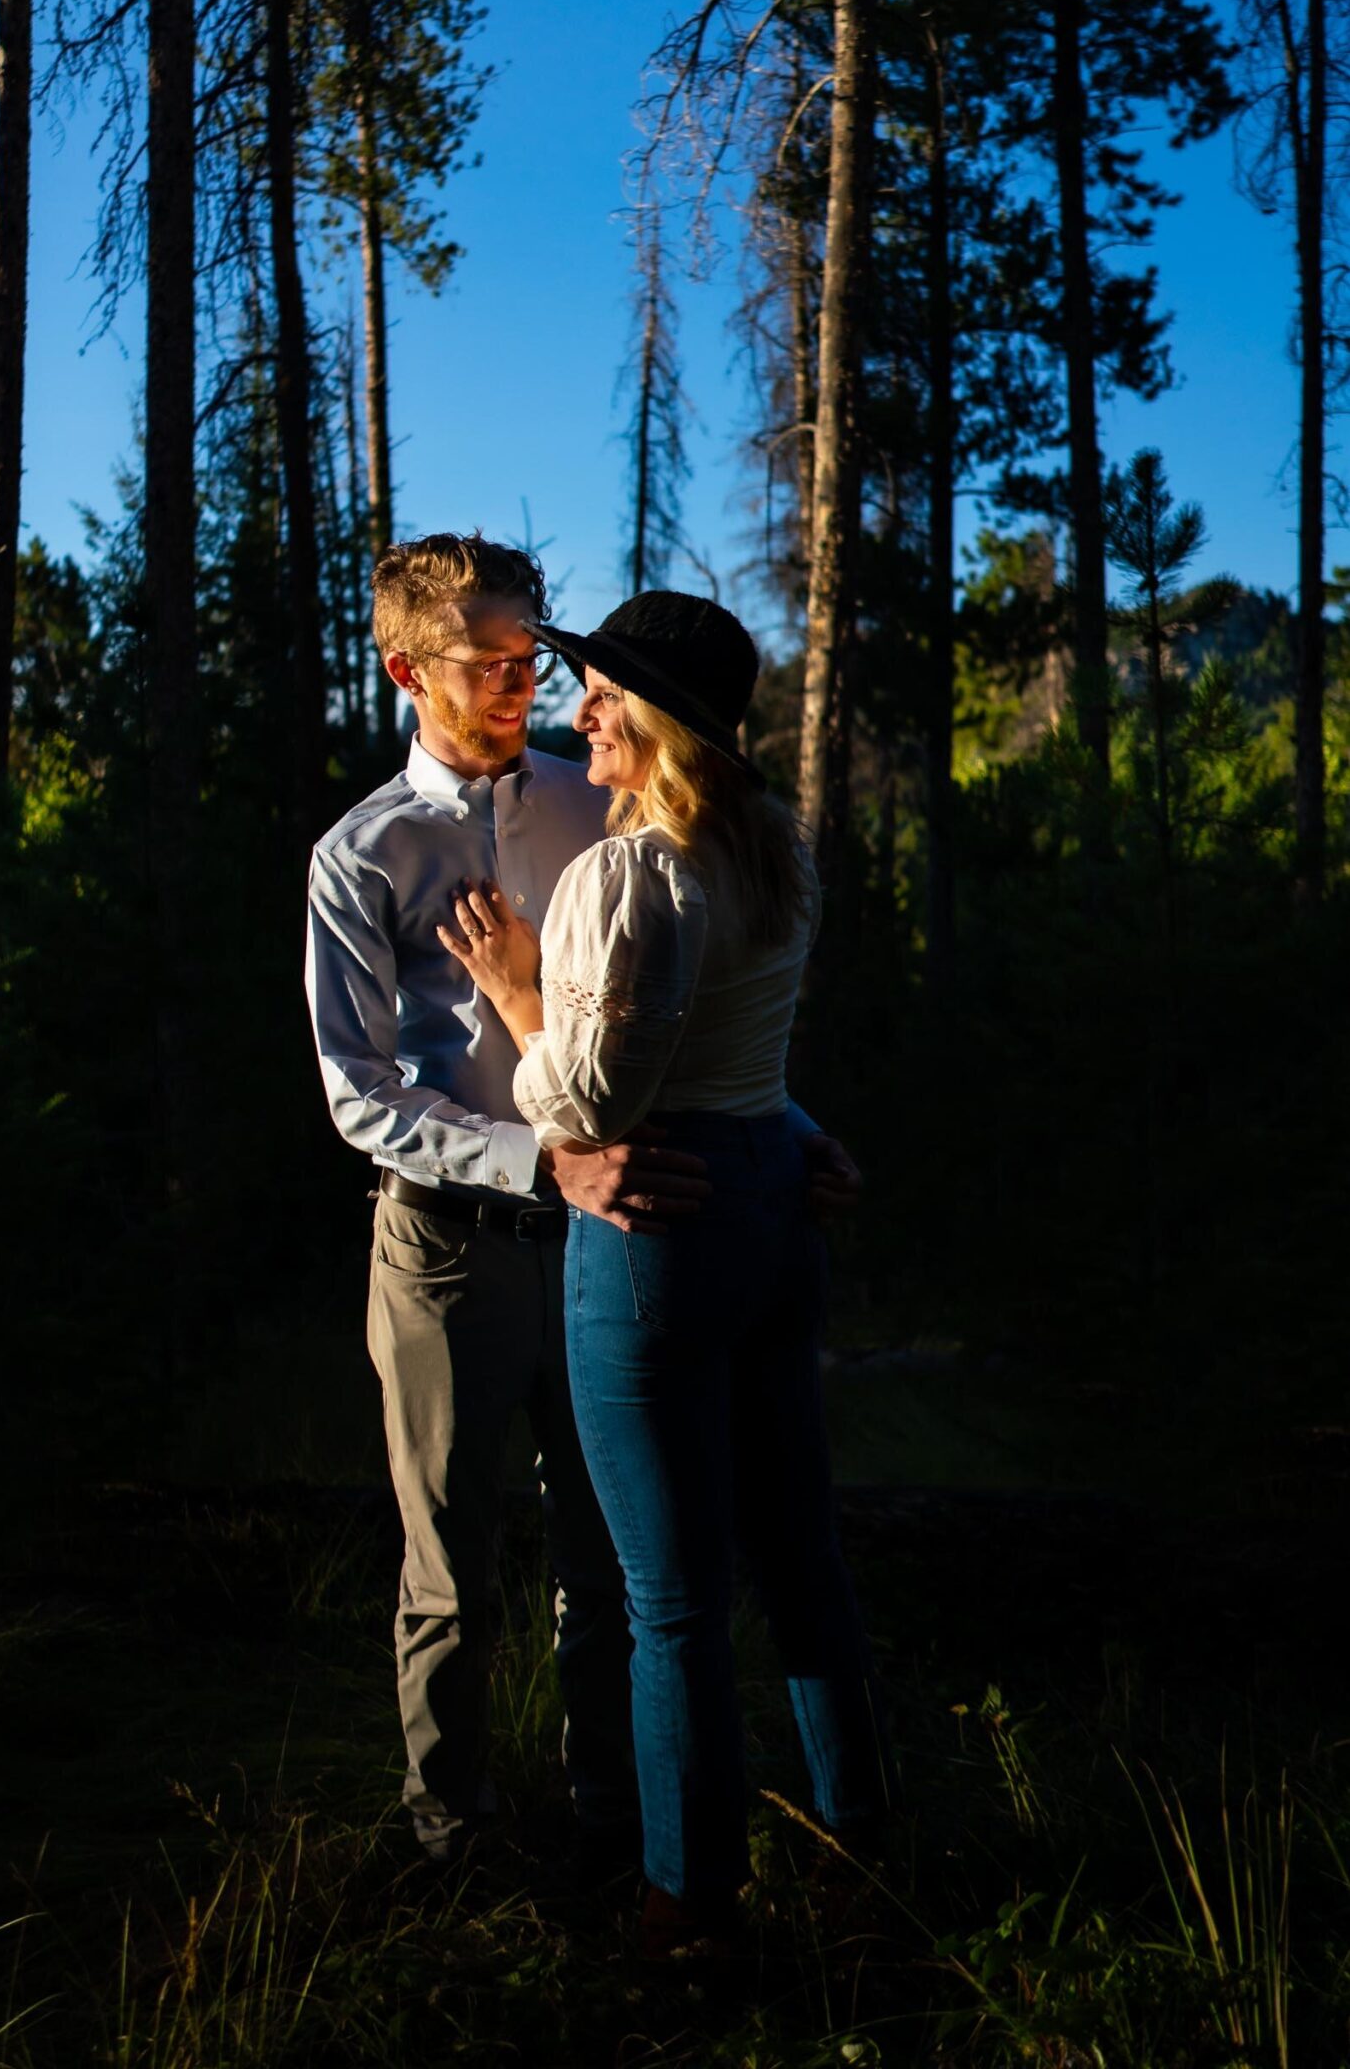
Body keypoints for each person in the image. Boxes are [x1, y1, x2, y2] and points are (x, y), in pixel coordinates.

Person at [304, 536, 859, 1876]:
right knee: (447, 1569)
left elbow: (677, 1005)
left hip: (616, 1234)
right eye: (492, 664)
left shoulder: (598, 795)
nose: (530, 687)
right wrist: (533, 1160)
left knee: (605, 1570)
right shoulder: (362, 856)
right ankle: (452, 1835)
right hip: (444, 1246)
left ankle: (615, 1817)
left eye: (535, 657)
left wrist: (779, 1123)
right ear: (405, 672)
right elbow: (357, 1091)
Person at [436, 588, 895, 1953]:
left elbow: (581, 1111)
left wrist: (519, 988)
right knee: (801, 1555)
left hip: (660, 1238)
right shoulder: (775, 849)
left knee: (673, 1601)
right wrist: (806, 1139)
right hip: (767, 1199)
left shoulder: (629, 878)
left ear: (664, 722)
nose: (581, 710)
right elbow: (755, 1058)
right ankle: (861, 1853)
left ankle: (686, 1905)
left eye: (606, 695)